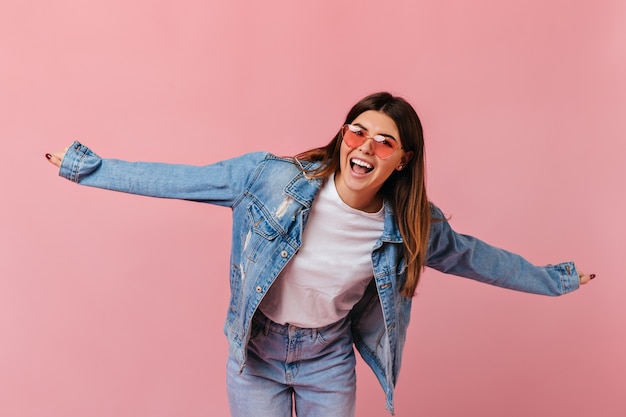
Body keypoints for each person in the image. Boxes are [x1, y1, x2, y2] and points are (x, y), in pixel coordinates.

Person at [46, 92, 594, 417]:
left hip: (327, 361)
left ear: (402, 161)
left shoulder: (409, 224)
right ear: (342, 137)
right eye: (358, 132)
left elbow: (479, 258)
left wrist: (555, 280)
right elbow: (180, 180)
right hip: (255, 354)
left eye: (385, 141)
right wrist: (86, 168)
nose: (366, 147)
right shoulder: (268, 179)